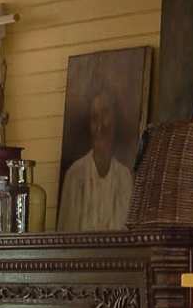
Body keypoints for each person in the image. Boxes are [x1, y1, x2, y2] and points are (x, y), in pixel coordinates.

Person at [58, 86, 137, 231]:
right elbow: (65, 237)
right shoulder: (74, 175)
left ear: (115, 120)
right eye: (95, 118)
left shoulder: (124, 178)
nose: (100, 126)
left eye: (105, 114)